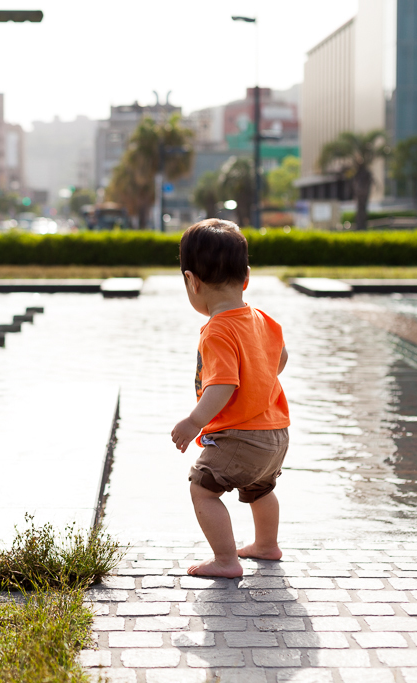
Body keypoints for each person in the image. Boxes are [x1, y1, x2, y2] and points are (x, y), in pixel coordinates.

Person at [170, 219, 290, 578]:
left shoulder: (217, 330)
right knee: (260, 488)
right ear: (247, 277)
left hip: (239, 435)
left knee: (203, 489)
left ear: (192, 281)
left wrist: (193, 422)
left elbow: (221, 385)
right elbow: (280, 360)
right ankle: (267, 545)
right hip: (276, 433)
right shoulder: (262, 319)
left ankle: (225, 560)